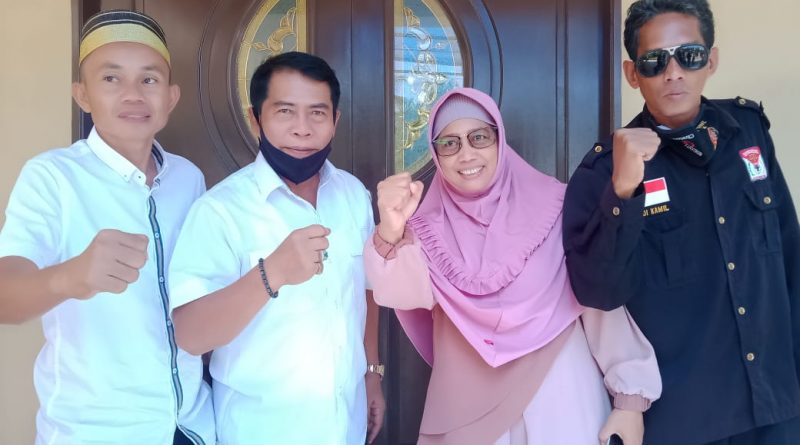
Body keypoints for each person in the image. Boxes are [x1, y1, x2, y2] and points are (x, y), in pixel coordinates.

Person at [365, 87, 661, 445]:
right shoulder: (423, 229)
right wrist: (390, 229)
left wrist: (630, 397)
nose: (466, 154)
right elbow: (397, 294)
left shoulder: (556, 205)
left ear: (499, 139)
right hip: (467, 406)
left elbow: (595, 298)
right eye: (449, 143)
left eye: (479, 137)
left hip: (561, 393)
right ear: (436, 154)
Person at [562, 1, 800, 444]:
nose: (673, 73)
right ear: (633, 74)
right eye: (654, 61)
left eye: (689, 55)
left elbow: (788, 256)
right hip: (686, 420)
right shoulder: (603, 170)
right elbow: (598, 293)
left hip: (775, 404)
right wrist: (622, 192)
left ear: (711, 60)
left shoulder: (748, 131)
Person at [0, 9, 214, 444]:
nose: (133, 95)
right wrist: (69, 277)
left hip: (192, 425)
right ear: (82, 95)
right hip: (97, 431)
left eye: (149, 79)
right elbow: (5, 297)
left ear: (171, 97)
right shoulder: (53, 177)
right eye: (111, 78)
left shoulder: (188, 178)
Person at [168, 51, 386, 444]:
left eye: (317, 113)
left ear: (335, 121)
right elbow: (190, 334)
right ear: (256, 119)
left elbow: (366, 291)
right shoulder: (220, 211)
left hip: (347, 427)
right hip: (261, 431)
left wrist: (372, 373)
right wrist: (271, 274)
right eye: (285, 111)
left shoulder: (353, 195)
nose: (302, 129)